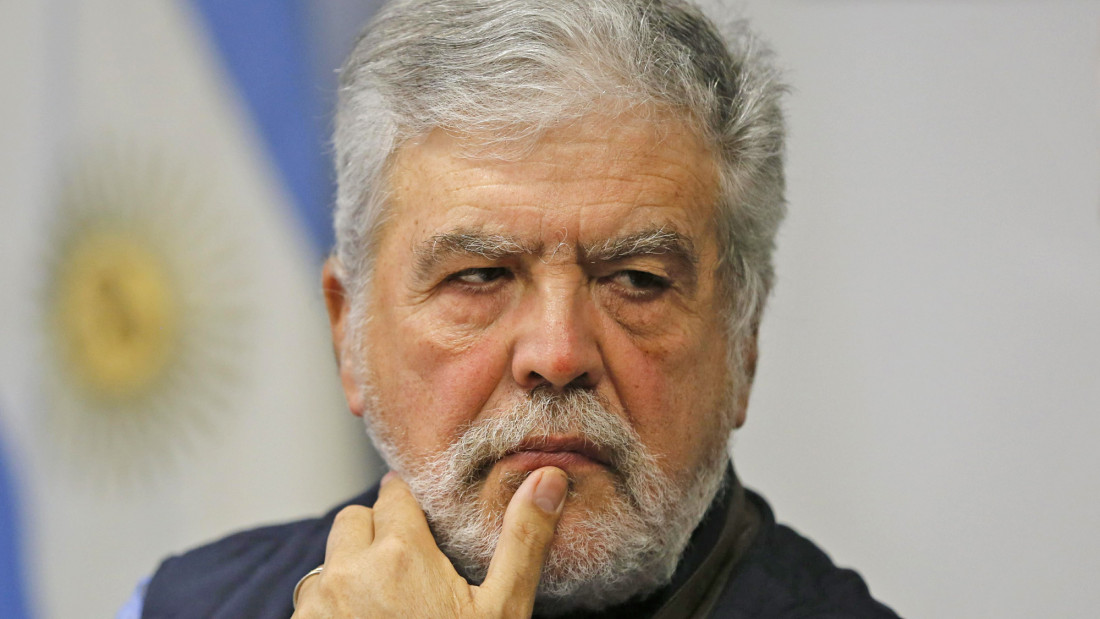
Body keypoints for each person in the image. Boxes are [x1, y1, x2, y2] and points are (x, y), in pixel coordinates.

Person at [129, 0, 900, 616]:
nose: (558, 353)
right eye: (480, 275)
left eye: (637, 280)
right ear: (348, 333)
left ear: (743, 344)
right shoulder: (180, 607)